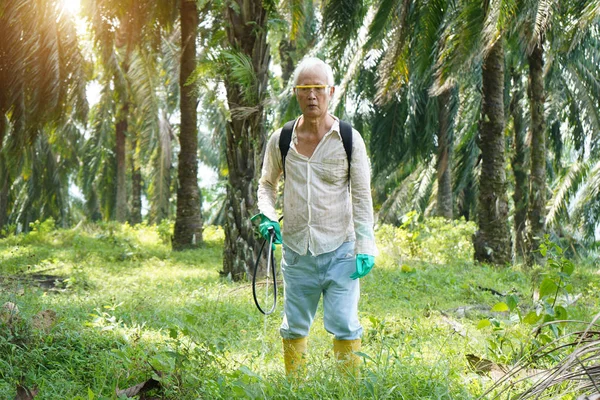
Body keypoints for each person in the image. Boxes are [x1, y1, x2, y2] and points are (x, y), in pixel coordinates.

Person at [253, 57, 377, 378]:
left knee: (347, 325)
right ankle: (296, 389)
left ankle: (347, 392)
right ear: (296, 93)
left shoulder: (349, 140)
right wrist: (267, 215)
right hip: (297, 253)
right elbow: (266, 184)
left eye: (318, 89)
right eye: (305, 89)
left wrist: (366, 246)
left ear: (331, 92)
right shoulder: (281, 139)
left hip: (341, 251)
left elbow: (362, 196)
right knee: (294, 326)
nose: (312, 96)